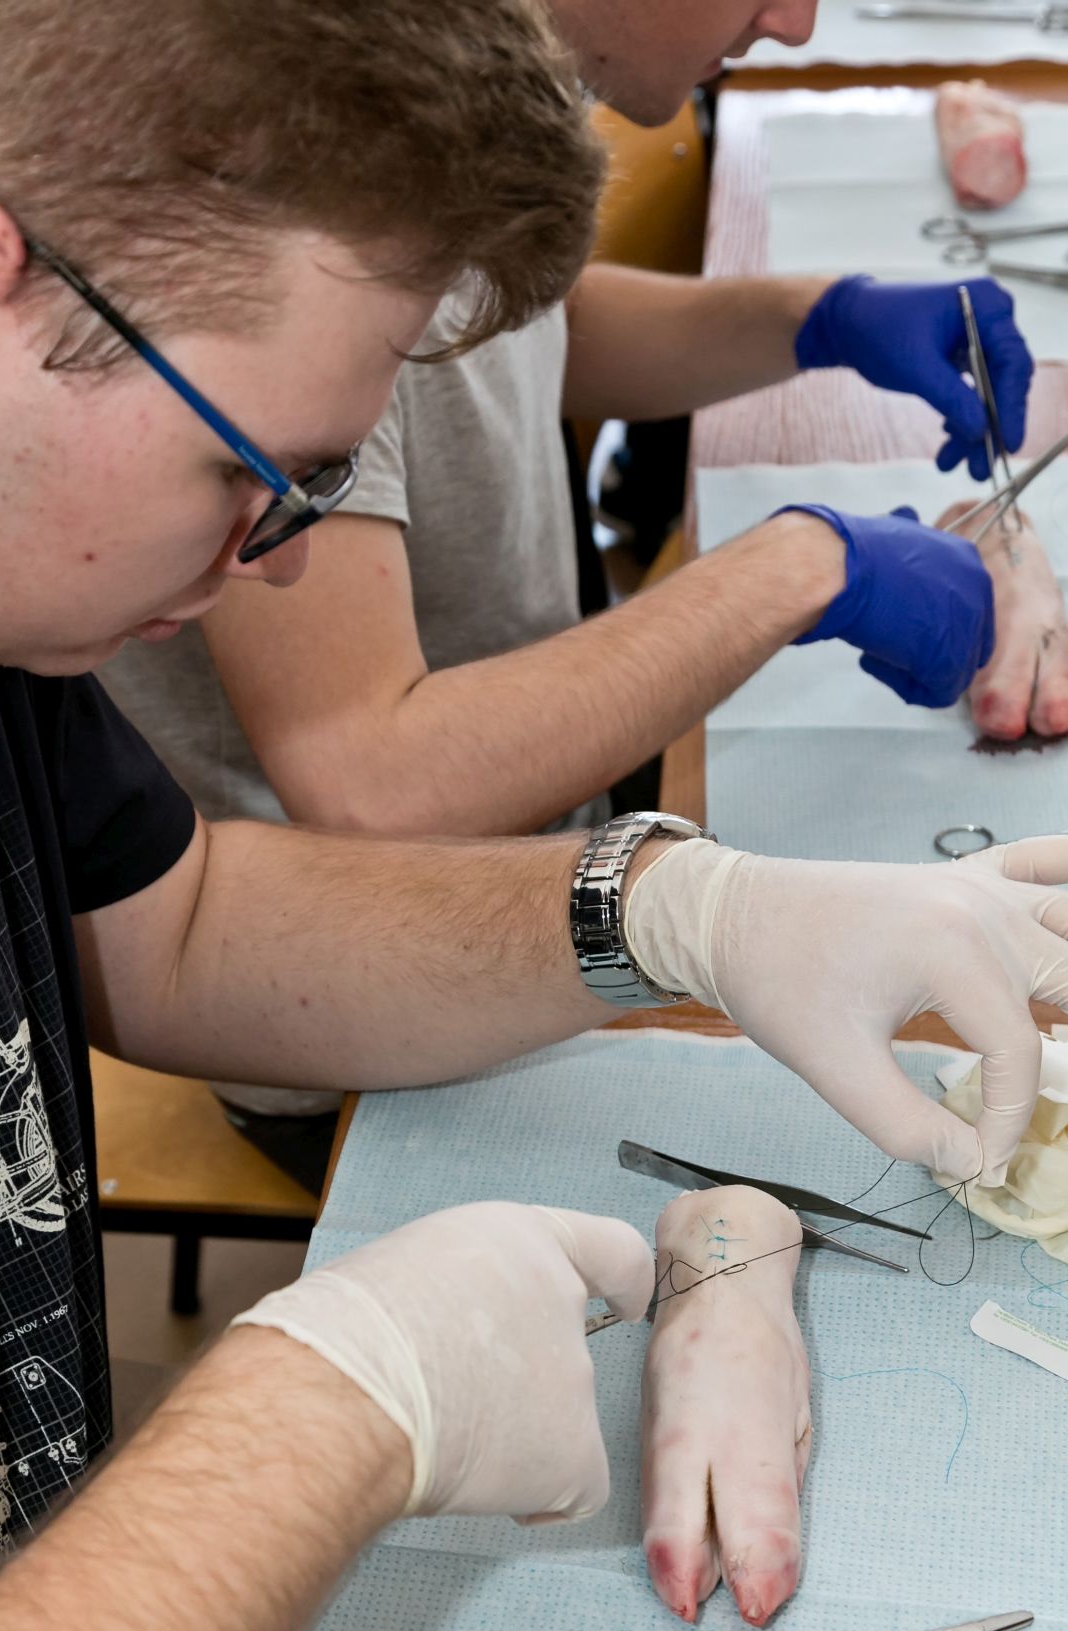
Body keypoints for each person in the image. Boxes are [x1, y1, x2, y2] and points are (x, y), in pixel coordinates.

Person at [0, 4, 1065, 1631]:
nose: (273, 560)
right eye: (253, 471)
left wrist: (665, 907)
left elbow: (183, 923)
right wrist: (320, 1414)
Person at [99, 0, 1043, 1190]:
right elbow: (371, 782)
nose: (797, 23)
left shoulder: (456, 91)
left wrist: (813, 320)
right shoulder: (293, 194)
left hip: (556, 864)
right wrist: (801, 566)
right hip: (368, 1003)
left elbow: (520, 336)